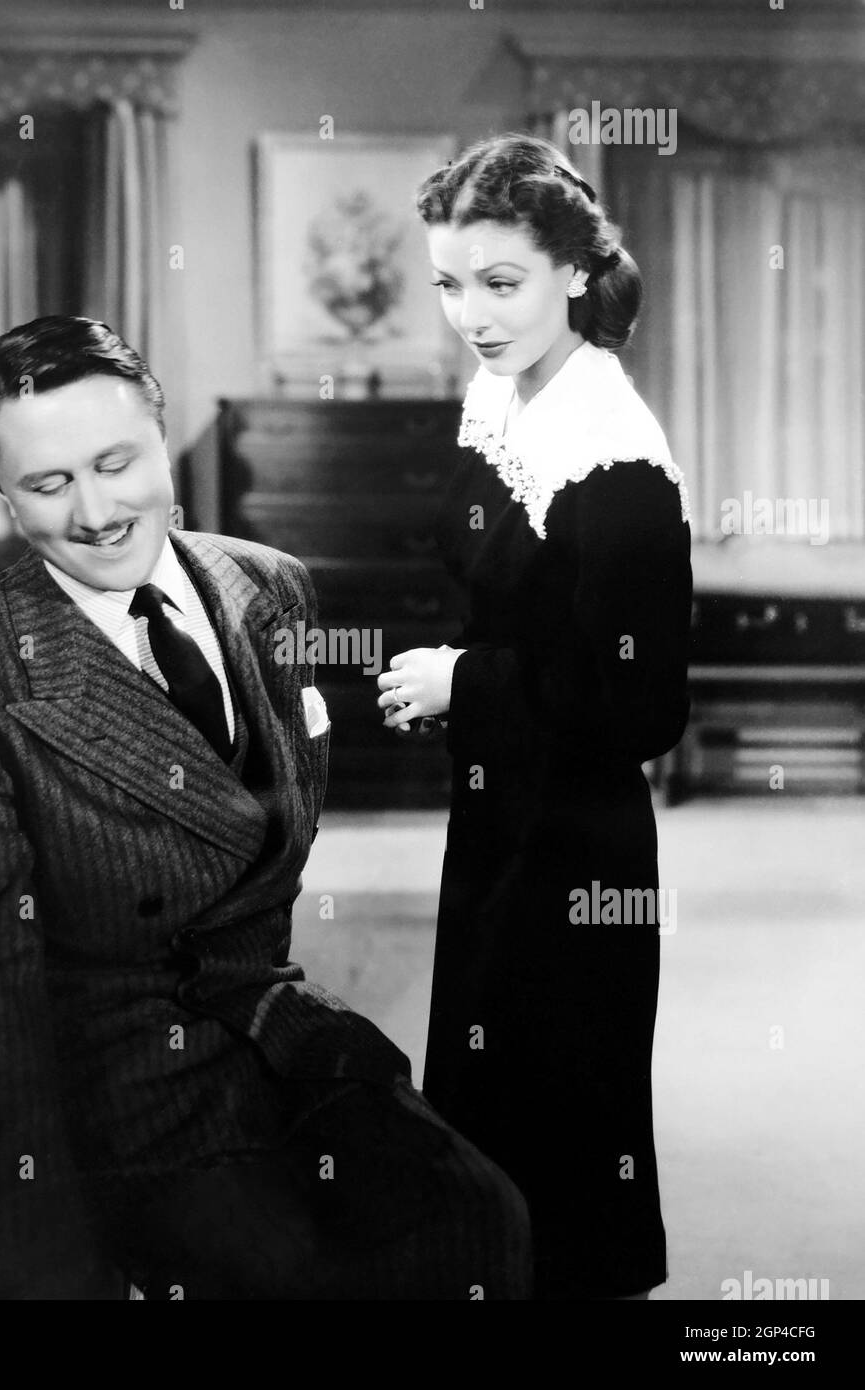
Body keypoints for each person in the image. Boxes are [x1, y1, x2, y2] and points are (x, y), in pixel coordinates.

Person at [0, 315, 530, 1300]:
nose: (95, 510)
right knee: (309, 1276)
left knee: (478, 1223)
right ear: (2, 496)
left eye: (116, 461)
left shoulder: (270, 587)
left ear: (161, 434)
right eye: (47, 483)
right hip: (120, 1108)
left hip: (284, 1039)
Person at [376, 136, 693, 1300]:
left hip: (576, 849)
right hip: (503, 814)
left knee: (561, 1130)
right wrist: (470, 680)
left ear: (572, 268)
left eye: (498, 282)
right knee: (486, 1106)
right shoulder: (505, 392)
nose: (470, 313)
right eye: (449, 284)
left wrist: (466, 682)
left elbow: (641, 702)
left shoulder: (612, 459)